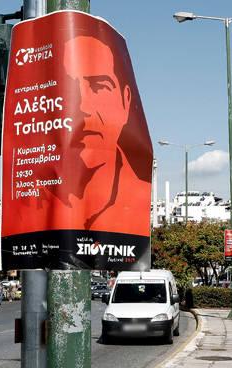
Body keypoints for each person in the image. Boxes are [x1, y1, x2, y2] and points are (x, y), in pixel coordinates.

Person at [58, 33, 152, 233]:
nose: (83, 105)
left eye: (99, 86)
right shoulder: (30, 196)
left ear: (125, 102)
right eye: (68, 88)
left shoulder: (140, 198)